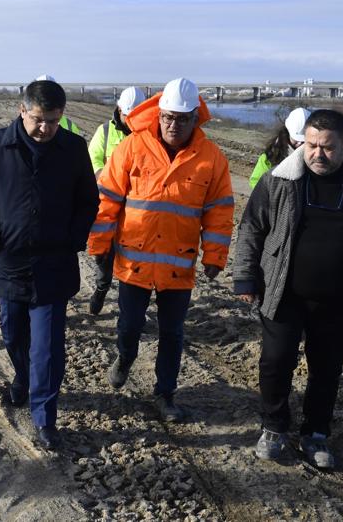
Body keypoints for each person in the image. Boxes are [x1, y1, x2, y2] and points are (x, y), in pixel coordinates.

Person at [232, 109, 343, 469]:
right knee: (275, 362)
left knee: (326, 369)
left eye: (327, 147)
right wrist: (245, 277)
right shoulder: (279, 180)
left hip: (339, 298)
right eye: (311, 145)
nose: (317, 154)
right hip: (284, 292)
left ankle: (316, 433)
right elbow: (252, 228)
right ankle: (274, 427)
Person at [0, 80, 98, 451]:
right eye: (38, 119)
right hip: (9, 261)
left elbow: (89, 200)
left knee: (47, 349)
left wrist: (74, 238)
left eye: (53, 121)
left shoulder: (72, 149)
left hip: (54, 264)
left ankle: (44, 418)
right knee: (13, 332)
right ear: (22, 111)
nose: (45, 129)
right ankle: (22, 377)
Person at [89, 78, 234, 422]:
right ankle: (125, 358)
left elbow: (220, 210)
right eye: (168, 117)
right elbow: (107, 199)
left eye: (182, 119)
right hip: (133, 260)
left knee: (173, 333)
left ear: (195, 119)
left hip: (177, 263)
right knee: (129, 326)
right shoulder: (131, 148)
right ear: (159, 114)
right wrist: (98, 242)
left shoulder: (211, 158)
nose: (173, 125)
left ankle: (165, 394)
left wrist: (214, 255)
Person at [85, 85, 147, 315]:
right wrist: (113, 177)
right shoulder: (105, 132)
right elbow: (92, 162)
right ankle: (101, 288)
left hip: (135, 209)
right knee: (104, 256)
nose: (130, 121)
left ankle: (126, 301)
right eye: (126, 116)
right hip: (108, 205)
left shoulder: (148, 135)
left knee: (130, 258)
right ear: (119, 109)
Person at [249, 107, 311, 188]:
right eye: (296, 139)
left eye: (304, 140)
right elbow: (256, 181)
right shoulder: (271, 156)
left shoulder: (317, 156)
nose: (300, 143)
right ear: (288, 132)